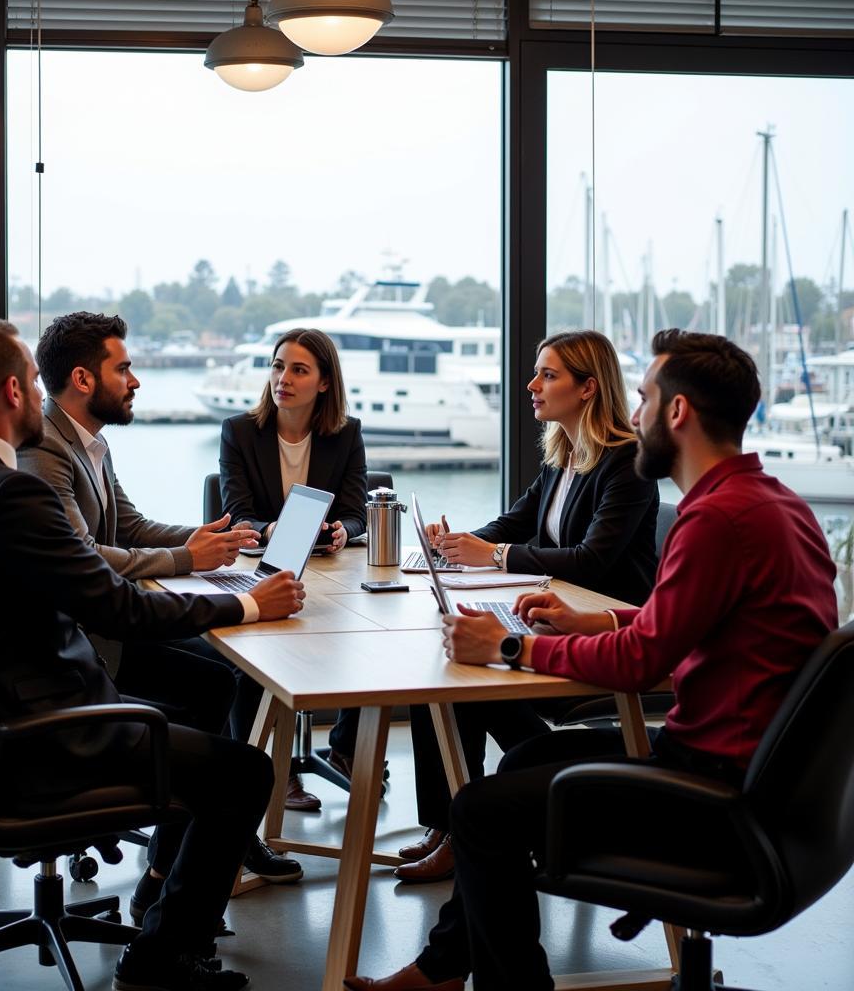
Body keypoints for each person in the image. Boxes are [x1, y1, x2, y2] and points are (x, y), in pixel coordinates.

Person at [344, 329, 838, 991]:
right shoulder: (773, 503)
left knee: (481, 813)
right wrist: (598, 619)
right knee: (521, 764)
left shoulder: (718, 518)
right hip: (773, 783)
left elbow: (639, 663)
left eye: (643, 398)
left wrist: (512, 646)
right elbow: (686, 620)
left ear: (678, 413)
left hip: (714, 788)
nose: (634, 415)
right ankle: (442, 968)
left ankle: (492, 982)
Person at [0, 319, 305, 991]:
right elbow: (118, 608)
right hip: (46, 741)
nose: (40, 390)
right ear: (13, 392)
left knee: (209, 700)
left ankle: (160, 902)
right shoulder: (12, 493)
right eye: (31, 379)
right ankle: (161, 961)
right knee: (243, 773)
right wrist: (250, 605)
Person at [18, 311, 301, 884]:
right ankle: (186, 857)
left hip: (101, 628)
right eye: (124, 368)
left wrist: (202, 541)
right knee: (219, 675)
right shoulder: (46, 450)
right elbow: (89, 555)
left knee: (223, 673)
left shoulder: (87, 441)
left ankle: (186, 853)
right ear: (83, 379)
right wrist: (188, 560)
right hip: (86, 646)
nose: (137, 380)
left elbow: (129, 525)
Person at [399, 329, 658, 883]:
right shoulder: (562, 456)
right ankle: (448, 826)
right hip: (555, 611)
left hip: (603, 625)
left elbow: (592, 561)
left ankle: (470, 821)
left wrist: (490, 554)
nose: (531, 384)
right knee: (443, 666)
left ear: (588, 388)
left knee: (455, 675)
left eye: (548, 374)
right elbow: (515, 524)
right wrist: (456, 545)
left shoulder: (627, 462)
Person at [219, 327, 368, 811]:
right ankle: (269, 771)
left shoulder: (346, 433)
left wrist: (344, 530)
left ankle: (344, 748)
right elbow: (237, 511)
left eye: (298, 369)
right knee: (256, 655)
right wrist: (269, 530)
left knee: (365, 635)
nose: (283, 378)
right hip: (262, 566)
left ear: (324, 382)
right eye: (277, 366)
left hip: (329, 571)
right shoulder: (239, 431)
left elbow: (355, 509)